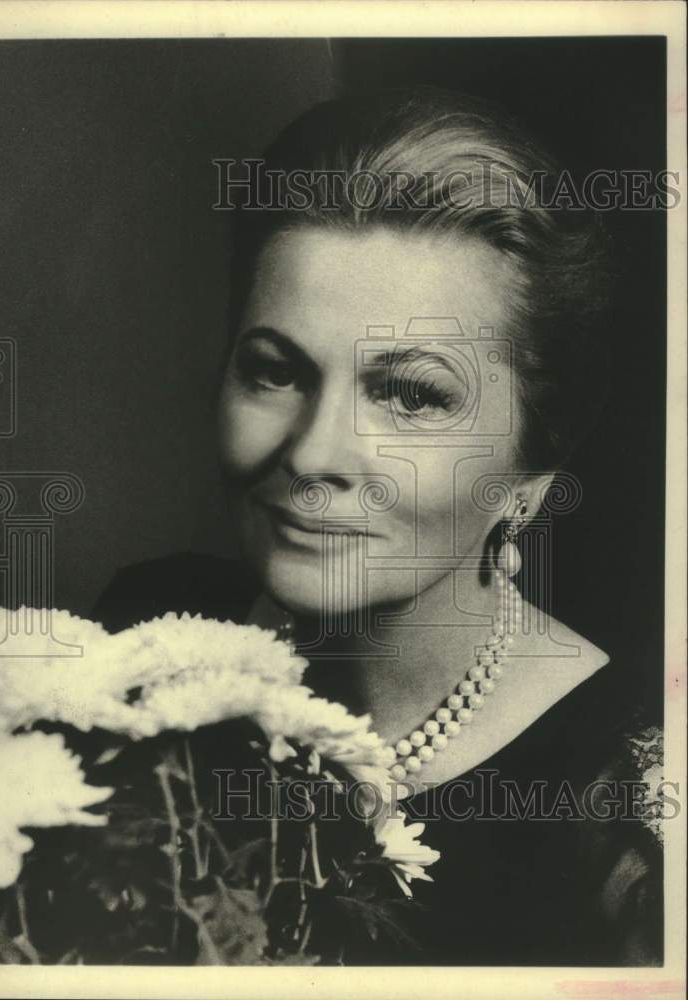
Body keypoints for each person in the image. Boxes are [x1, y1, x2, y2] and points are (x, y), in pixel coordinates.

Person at [92, 88, 663, 965]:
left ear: (532, 469)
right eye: (274, 371)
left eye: (410, 395)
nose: (313, 452)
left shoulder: (622, 815)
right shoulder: (141, 642)